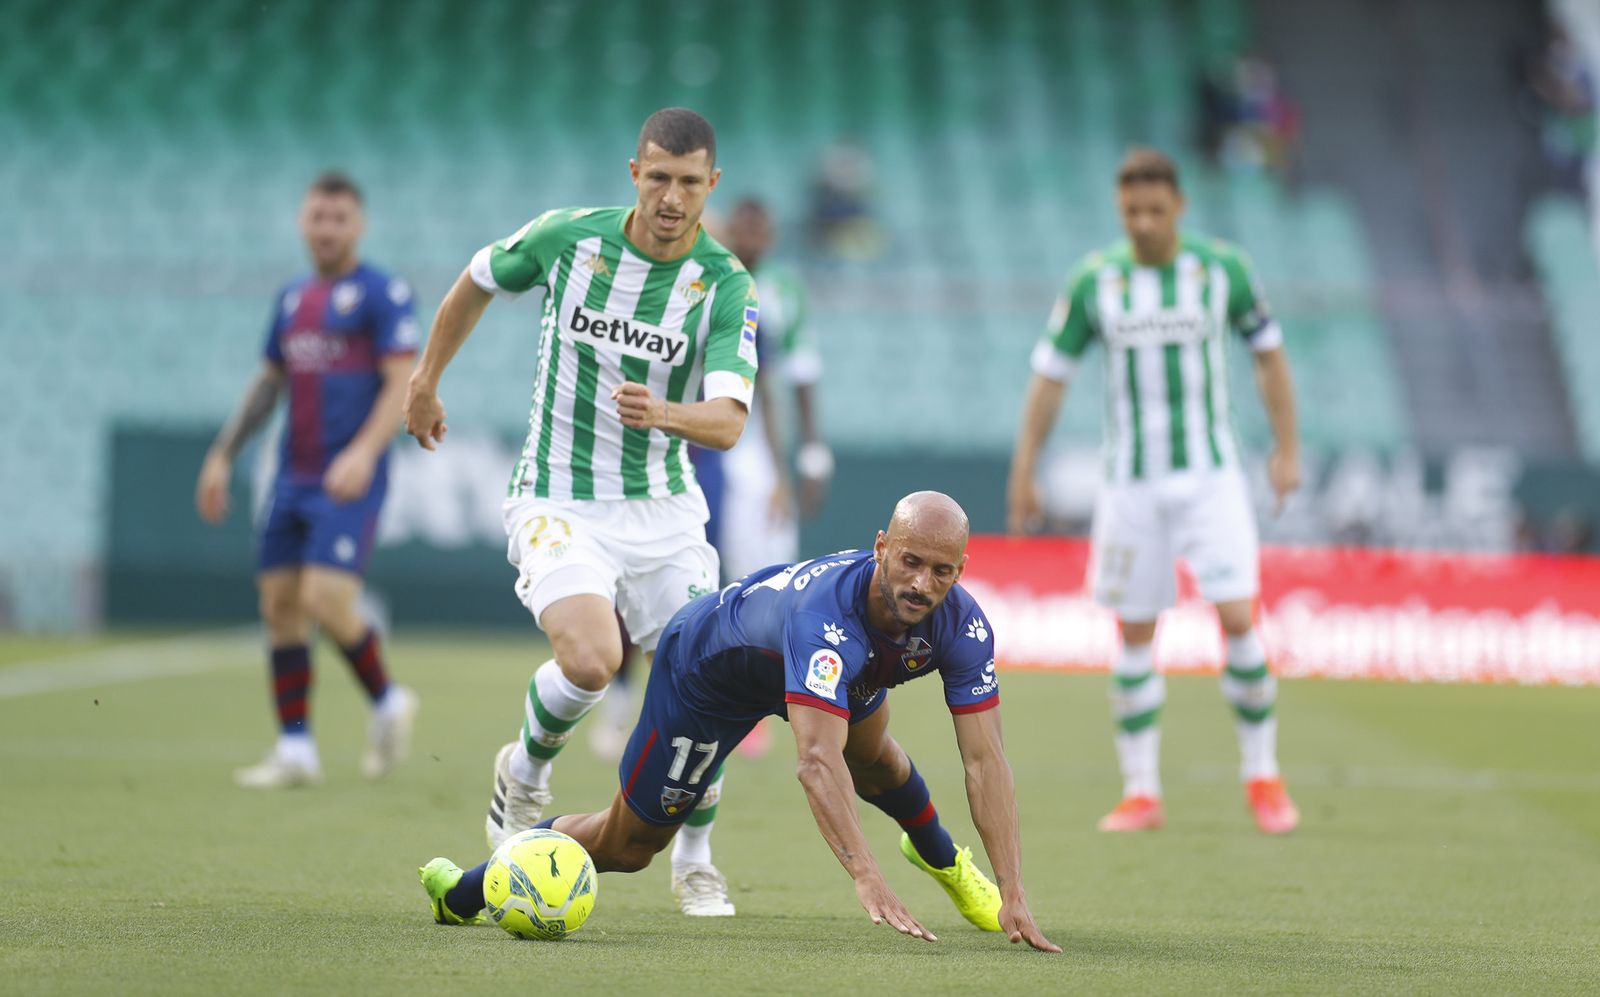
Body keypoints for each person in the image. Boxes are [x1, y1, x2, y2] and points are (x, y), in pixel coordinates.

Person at [418, 492, 1060, 952]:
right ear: (882, 548)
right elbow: (814, 762)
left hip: (836, 668)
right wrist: (867, 877)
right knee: (630, 846)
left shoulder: (964, 624)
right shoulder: (825, 619)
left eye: (941, 571)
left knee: (882, 761)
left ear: (961, 572)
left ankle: (949, 866)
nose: (922, 584)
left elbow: (985, 761)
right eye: (910, 562)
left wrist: (1015, 889)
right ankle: (466, 890)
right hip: (709, 674)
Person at [402, 108, 757, 917]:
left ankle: (695, 856)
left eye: (690, 182)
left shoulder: (725, 282)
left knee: (713, 682)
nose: (672, 197)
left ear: (712, 185)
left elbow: (730, 421)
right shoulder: (570, 239)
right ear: (634, 173)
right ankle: (523, 774)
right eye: (659, 178)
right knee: (595, 659)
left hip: (664, 511)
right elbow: (478, 278)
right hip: (560, 494)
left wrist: (663, 413)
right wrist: (425, 379)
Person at [1007, 148, 1303, 835]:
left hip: (1211, 475)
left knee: (1237, 616)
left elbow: (1269, 356)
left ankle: (1263, 774)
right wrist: (1025, 467)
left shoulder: (1221, 269)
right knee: (1134, 630)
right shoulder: (1095, 280)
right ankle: (1142, 790)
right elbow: (1050, 377)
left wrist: (1287, 448)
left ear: (1180, 206)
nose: (1142, 222)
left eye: (1155, 210)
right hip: (1131, 484)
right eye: (1131, 211)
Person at [196, 171, 421, 789]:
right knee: (279, 606)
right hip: (291, 475)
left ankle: (386, 698)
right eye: (317, 218)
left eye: (339, 218)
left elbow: (401, 381)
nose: (327, 229)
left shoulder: (383, 293)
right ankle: (296, 748)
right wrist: (222, 453)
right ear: (302, 223)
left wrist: (365, 453)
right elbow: (270, 382)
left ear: (359, 225)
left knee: (325, 600)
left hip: (348, 477)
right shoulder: (293, 299)